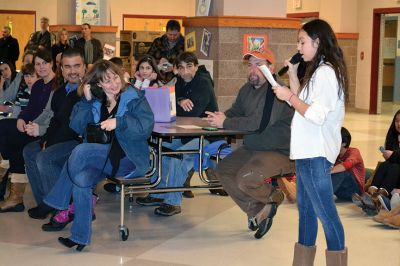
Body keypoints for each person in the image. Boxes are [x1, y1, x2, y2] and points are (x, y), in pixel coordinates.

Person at [38, 59, 154, 251]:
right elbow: (76, 126)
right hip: (101, 158)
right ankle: (80, 237)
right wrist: (87, 101)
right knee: (81, 179)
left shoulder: (134, 96)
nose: (114, 83)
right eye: (107, 81)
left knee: (80, 151)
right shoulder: (94, 100)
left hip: (128, 158)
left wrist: (120, 122)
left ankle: (57, 202)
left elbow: (145, 127)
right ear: (98, 84)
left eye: (115, 77)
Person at [273, 19, 348, 265]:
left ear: (317, 42)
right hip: (306, 152)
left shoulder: (326, 73)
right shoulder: (317, 71)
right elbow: (302, 103)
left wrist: (289, 96)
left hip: (316, 153)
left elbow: (315, 115)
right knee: (305, 213)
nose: (299, 47)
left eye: (302, 42)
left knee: (326, 214)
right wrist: (293, 77)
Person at [204, 49, 294, 239]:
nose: (253, 70)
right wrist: (221, 117)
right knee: (223, 170)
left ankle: (274, 196)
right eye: (250, 65)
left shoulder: (276, 91)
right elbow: (237, 111)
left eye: (259, 65)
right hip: (255, 147)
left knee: (246, 178)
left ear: (271, 68)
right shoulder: (247, 89)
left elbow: (258, 123)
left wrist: (226, 123)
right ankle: (257, 210)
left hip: (279, 151)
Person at [136, 51, 218, 216]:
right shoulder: (181, 80)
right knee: (162, 148)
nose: (185, 72)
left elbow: (192, 112)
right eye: (181, 68)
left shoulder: (203, 82)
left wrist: (176, 102)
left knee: (177, 155)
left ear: (195, 66)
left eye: (189, 67)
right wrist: (180, 100)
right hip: (186, 132)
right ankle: (157, 193)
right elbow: (171, 100)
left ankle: (173, 202)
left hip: (207, 134)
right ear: (176, 69)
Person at [23, 48, 86, 210]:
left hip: (80, 141)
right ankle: (44, 201)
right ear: (62, 69)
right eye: (68, 67)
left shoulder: (87, 91)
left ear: (84, 67)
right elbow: (55, 121)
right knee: (30, 150)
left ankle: (60, 207)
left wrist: (49, 144)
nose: (72, 71)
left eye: (76, 66)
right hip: (61, 137)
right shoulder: (60, 92)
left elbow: (71, 128)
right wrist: (45, 140)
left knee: (45, 158)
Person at [0, 49, 55, 212]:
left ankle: (12, 192)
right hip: (29, 125)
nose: (41, 67)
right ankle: (15, 199)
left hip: (44, 130)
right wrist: (22, 118)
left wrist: (31, 124)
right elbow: (30, 108)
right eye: (38, 64)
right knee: (14, 147)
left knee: (4, 131)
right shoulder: (39, 84)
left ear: (51, 64)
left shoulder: (56, 84)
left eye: (44, 63)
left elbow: (49, 114)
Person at [331, 127, 365, 201]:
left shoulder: (354, 152)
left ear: (344, 143)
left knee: (343, 172)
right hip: (341, 190)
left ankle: (325, 195)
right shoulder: (335, 154)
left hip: (355, 191)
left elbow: (347, 165)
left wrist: (329, 171)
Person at [0, 50, 36, 116]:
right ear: (22, 63)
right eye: (27, 61)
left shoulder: (39, 80)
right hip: (17, 113)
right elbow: (5, 98)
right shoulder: (20, 76)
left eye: (32, 61)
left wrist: (9, 108)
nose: (30, 64)